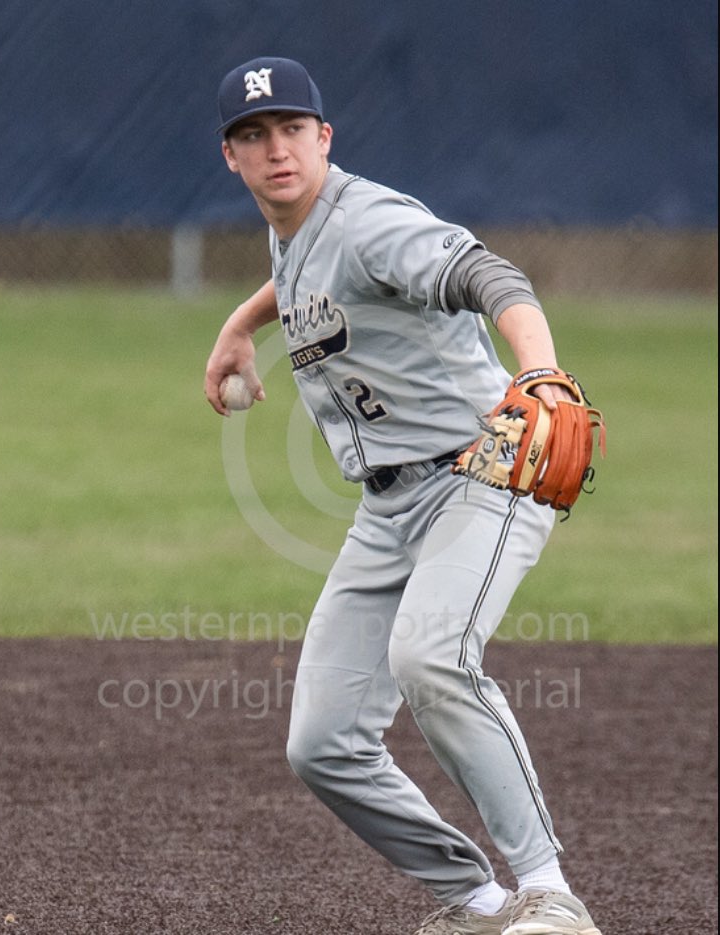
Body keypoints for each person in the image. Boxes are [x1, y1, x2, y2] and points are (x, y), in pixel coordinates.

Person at [205, 56, 603, 935]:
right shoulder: (298, 222)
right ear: (230, 158)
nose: (277, 150)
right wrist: (240, 324)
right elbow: (307, 274)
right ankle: (481, 904)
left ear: (324, 138)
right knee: (323, 743)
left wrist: (538, 369)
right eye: (253, 136)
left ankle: (551, 894)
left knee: (432, 656)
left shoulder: (374, 218)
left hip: (481, 474)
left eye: (292, 131)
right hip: (387, 510)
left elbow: (492, 277)